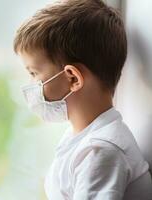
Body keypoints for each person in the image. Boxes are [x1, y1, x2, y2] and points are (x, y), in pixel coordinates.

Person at [13, 0, 152, 199]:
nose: (30, 84)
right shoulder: (81, 135)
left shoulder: (102, 150)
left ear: (73, 78)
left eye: (34, 73)